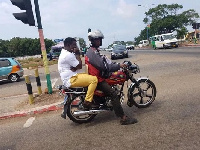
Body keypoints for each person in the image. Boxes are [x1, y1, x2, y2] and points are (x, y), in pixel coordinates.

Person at [85, 30, 138, 125]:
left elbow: (105, 62)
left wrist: (115, 64)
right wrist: (119, 66)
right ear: (93, 40)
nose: (100, 41)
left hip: (97, 76)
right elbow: (104, 67)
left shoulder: (93, 51)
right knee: (113, 94)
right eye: (99, 39)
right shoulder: (93, 53)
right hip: (98, 78)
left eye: (100, 39)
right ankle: (123, 118)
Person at [58, 37, 98, 119]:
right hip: (71, 79)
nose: (76, 46)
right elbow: (79, 65)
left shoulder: (65, 52)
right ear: (69, 45)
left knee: (89, 75)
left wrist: (75, 67)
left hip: (71, 76)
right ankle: (87, 101)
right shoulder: (68, 55)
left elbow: (75, 66)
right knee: (94, 80)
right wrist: (77, 53)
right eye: (74, 45)